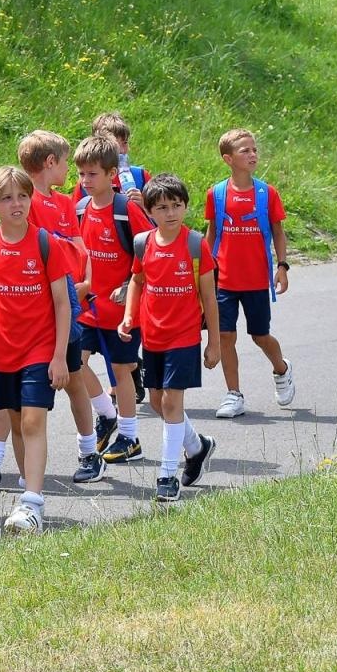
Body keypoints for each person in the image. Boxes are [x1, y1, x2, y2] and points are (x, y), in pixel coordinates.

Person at [0, 166, 71, 534]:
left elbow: (62, 304)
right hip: (3, 354)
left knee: (34, 421)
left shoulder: (45, 243)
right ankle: (28, 492)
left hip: (40, 350)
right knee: (19, 425)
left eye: (22, 196)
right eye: (7, 198)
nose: (16, 204)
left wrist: (58, 356)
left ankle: (33, 503)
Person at [20, 130, 119, 483]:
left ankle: (90, 451)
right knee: (14, 387)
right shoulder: (23, 200)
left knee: (74, 374)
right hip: (33, 306)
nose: (73, 175)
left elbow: (80, 247)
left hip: (68, 301)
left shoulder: (65, 203)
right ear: (51, 163)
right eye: (67, 165)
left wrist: (87, 281)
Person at [118, 175, 220, 503]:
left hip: (184, 336)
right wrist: (129, 316)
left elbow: (210, 295)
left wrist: (214, 342)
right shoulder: (143, 243)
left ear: (186, 206)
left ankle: (166, 475)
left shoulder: (195, 245)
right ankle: (197, 446)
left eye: (177, 205)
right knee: (159, 403)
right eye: (162, 207)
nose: (171, 213)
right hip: (153, 337)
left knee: (173, 403)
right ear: (149, 211)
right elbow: (137, 280)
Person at [203, 129, 295, 419]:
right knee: (226, 336)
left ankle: (281, 369)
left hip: (256, 280)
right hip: (224, 280)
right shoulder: (216, 194)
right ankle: (234, 394)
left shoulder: (267, 193)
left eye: (254, 149)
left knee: (260, 336)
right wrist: (201, 273)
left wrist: (282, 266)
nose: (253, 154)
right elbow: (211, 233)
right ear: (228, 159)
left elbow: (279, 232)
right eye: (245, 151)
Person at [74, 135, 152, 464]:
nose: (85, 181)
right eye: (81, 174)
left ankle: (130, 438)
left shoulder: (126, 210)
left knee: (122, 371)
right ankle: (106, 414)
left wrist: (127, 285)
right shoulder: (79, 209)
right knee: (73, 362)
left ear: (111, 174)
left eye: (92, 174)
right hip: (88, 307)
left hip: (121, 311)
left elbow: (152, 251)